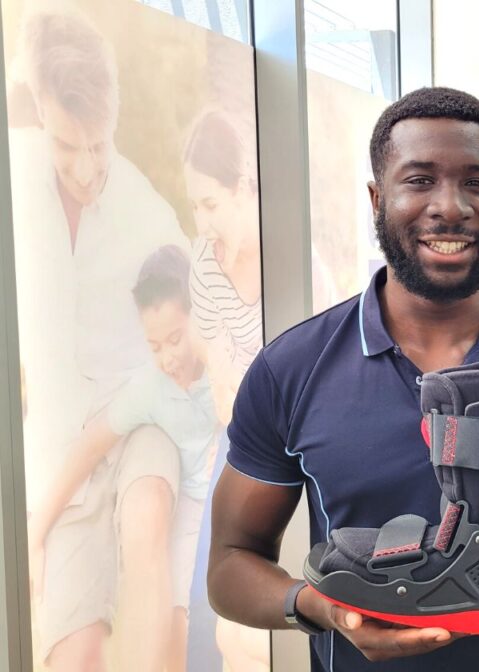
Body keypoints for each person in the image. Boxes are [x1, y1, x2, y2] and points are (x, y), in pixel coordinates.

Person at [207, 87, 479, 671]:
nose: (451, 207)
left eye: (477, 181)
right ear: (377, 198)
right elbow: (230, 561)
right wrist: (316, 608)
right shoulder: (291, 369)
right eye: (420, 180)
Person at [10, 10, 188, 671]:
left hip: (140, 421)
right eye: (67, 146)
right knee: (75, 653)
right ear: (41, 119)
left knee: (145, 534)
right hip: (61, 450)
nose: (86, 169)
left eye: (99, 146)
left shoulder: (148, 213)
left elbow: (190, 353)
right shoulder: (17, 176)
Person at [27, 245, 216, 672]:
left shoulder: (220, 370)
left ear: (198, 318)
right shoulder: (149, 390)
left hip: (224, 503)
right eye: (155, 346)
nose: (168, 357)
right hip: (189, 511)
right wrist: (36, 533)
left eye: (175, 338)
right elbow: (88, 449)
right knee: (176, 620)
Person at [181, 109, 269, 672]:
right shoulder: (203, 263)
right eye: (193, 204)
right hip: (241, 436)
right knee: (207, 595)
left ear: (241, 189)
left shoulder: (283, 256)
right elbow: (219, 379)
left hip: (290, 434)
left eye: (209, 204)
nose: (201, 220)